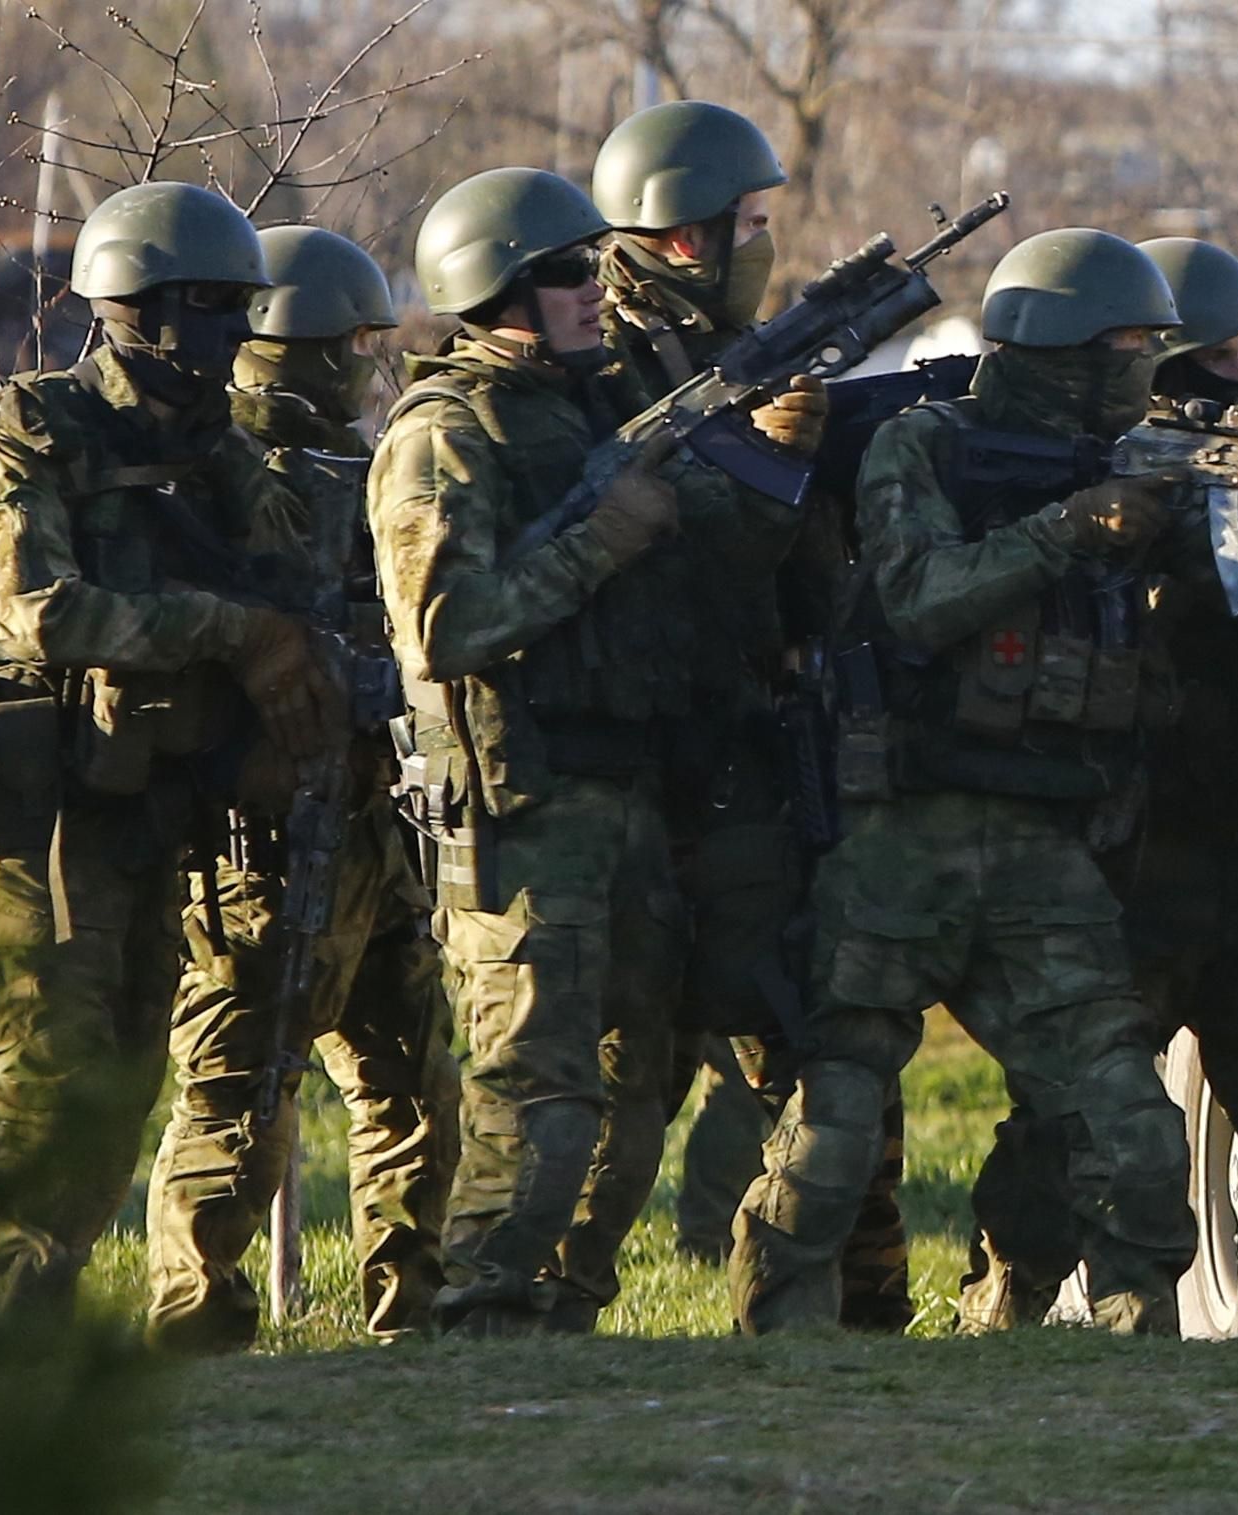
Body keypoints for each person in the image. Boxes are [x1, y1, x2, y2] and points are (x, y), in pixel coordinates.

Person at [729, 228, 1201, 1335]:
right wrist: (1066, 530)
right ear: (1064, 350)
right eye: (1131, 344)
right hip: (904, 837)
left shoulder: (1135, 462)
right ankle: (769, 1351)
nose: (1146, 366)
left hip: (1047, 847)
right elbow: (920, 599)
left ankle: (1134, 1363)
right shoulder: (924, 445)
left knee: (1128, 1124)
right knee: (833, 1126)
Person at [367, 165, 802, 1336]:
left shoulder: (587, 404)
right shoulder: (445, 429)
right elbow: (446, 627)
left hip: (624, 794)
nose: (590, 294)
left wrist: (778, 446)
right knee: (533, 1083)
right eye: (564, 276)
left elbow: (716, 542)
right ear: (499, 290)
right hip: (523, 804)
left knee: (639, 1079)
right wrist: (599, 544)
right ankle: (479, 1310)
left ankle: (561, 1305)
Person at [960, 236, 1238, 1338]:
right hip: (1133, 871)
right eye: (1227, 359)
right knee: (1072, 1118)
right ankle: (1003, 1305)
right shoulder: (1109, 478)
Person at [0, 181, 331, 1323]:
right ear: (145, 310)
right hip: (41, 826)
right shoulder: (34, 432)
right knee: (49, 1104)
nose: (234, 335)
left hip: (151, 819)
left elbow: (294, 598)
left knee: (115, 1104)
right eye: (214, 307)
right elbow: (43, 611)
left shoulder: (227, 460)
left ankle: (10, 1342)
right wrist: (228, 634)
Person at [589, 99, 909, 1328]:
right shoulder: (607, 378)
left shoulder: (743, 362)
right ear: (681, 239)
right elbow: (661, 561)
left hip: (768, 764)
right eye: (752, 224)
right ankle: (533, 1317)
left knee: (824, 1045)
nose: (766, 244)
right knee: (634, 1077)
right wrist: (771, 468)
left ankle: (846, 1314)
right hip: (654, 778)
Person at [145, 223, 460, 1351]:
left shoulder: (352, 467)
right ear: (302, 347)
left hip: (371, 820)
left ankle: (410, 1320)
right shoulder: (233, 476)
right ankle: (196, 1328)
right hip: (268, 842)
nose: (370, 363)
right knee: (242, 1091)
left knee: (414, 1088)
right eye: (354, 342)